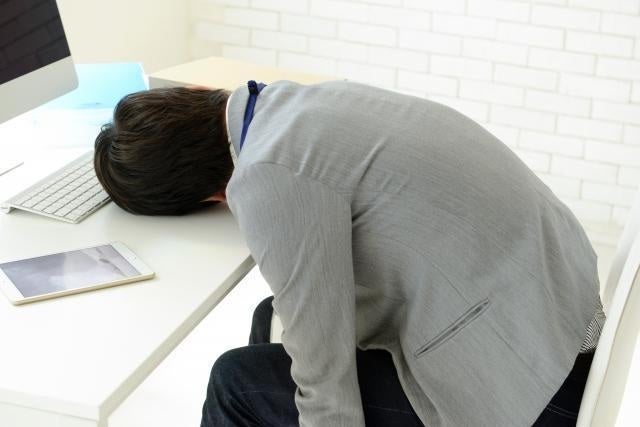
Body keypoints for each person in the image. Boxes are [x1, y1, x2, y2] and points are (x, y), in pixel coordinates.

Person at [94, 80, 605, 426]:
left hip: (533, 389)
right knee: (270, 316)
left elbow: (327, 390)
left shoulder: (270, 177)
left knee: (234, 382)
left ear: (210, 197)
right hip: (562, 322)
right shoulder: (295, 106)